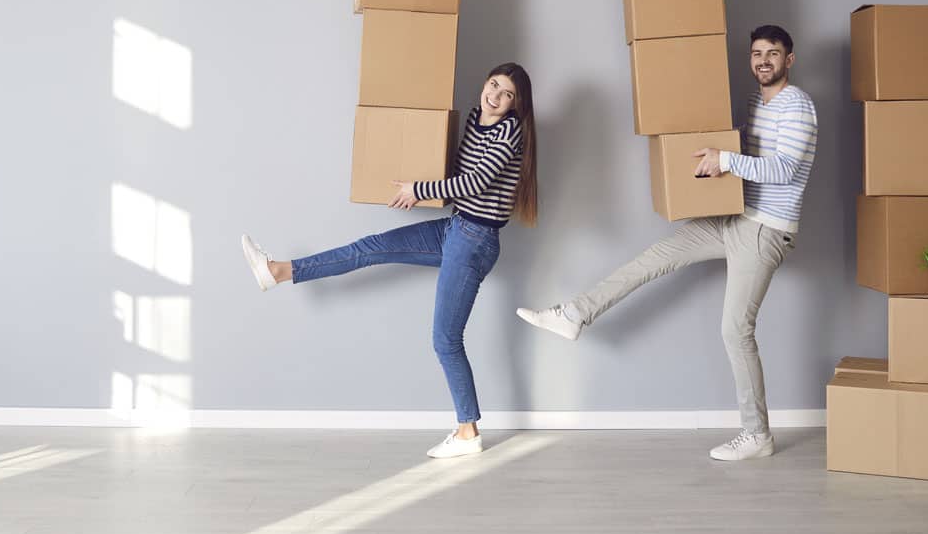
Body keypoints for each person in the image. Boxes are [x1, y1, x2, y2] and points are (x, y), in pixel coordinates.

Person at [517, 26, 816, 461]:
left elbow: (785, 169)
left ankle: (757, 435)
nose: (763, 61)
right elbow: (736, 149)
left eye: (773, 54)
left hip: (765, 229)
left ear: (789, 60)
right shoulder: (755, 101)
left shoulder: (797, 106)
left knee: (735, 330)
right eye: (756, 54)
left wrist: (725, 160)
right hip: (734, 217)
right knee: (654, 258)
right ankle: (575, 314)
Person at [242, 63, 539, 458]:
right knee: (369, 247)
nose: (496, 96)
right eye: (494, 85)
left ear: (516, 105)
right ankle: (277, 271)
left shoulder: (509, 132)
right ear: (485, 83)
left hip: (475, 241)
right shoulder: (474, 118)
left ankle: (468, 431)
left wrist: (419, 189)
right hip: (456, 229)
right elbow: (459, 180)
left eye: (507, 94)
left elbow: (476, 183)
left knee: (445, 340)